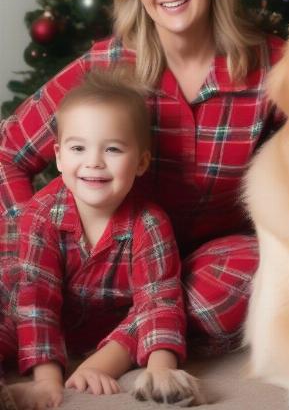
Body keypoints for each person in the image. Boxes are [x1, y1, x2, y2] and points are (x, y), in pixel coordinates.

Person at [0, 0, 284, 351]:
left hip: (201, 266)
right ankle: (124, 326)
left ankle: (117, 342)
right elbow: (7, 154)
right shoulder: (108, 64)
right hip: (102, 265)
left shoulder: (272, 65)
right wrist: (27, 243)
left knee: (265, 266)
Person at [0, 70, 203, 408]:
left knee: (162, 305)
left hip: (107, 328)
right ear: (60, 158)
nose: (93, 162)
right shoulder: (41, 214)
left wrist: (161, 371)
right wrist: (47, 384)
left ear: (140, 162)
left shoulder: (150, 223)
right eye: (78, 147)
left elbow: (158, 302)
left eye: (112, 149)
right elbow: (36, 301)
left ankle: (111, 360)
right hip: (30, 306)